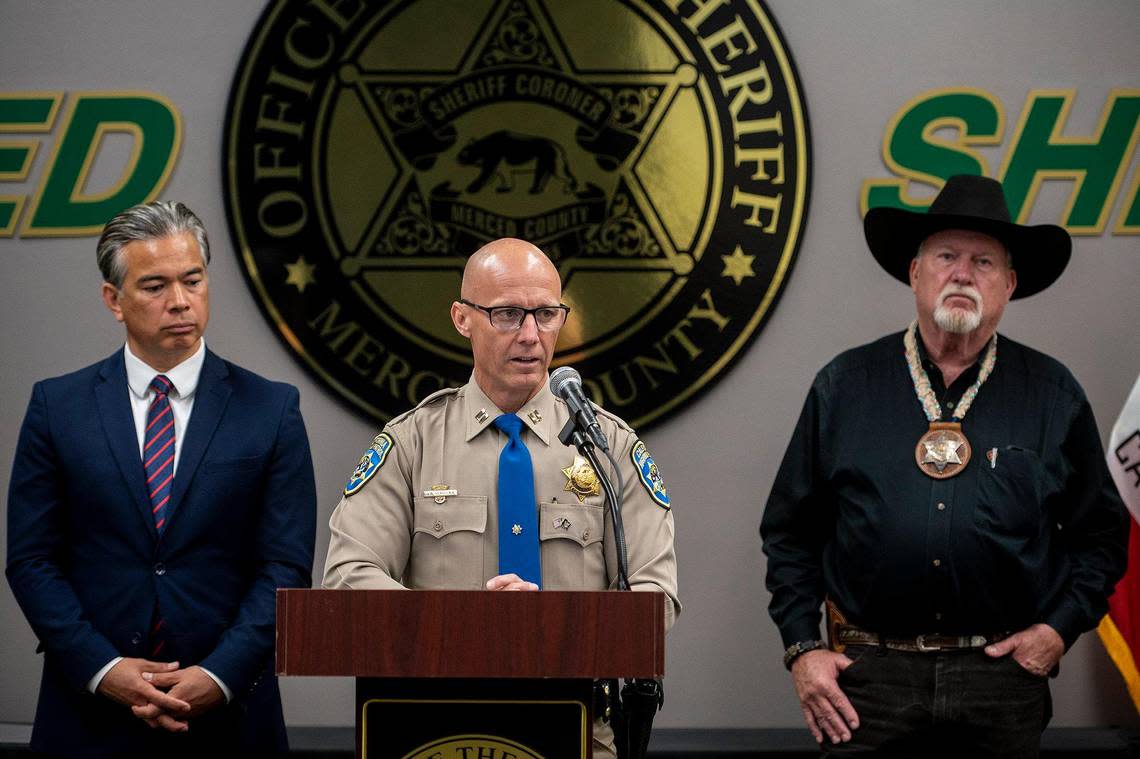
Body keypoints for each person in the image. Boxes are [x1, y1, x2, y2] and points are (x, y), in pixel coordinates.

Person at [760, 174, 1128, 757]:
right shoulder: (846, 385)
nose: (963, 273)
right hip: (867, 681)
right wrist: (803, 650)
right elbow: (789, 533)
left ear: (1008, 285)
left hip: (1002, 681)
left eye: (984, 262)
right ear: (915, 273)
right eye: (946, 256)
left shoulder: (1052, 393)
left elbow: (1102, 536)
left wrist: (1058, 629)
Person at [323, 237, 680, 757]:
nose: (532, 335)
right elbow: (349, 576)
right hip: (438, 726)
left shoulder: (609, 449)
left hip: (581, 729)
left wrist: (550, 628)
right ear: (462, 318)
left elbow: (654, 597)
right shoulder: (413, 442)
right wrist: (469, 629)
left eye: (546, 314)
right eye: (508, 314)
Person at [7, 201, 317, 757]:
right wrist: (104, 669)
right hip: (88, 715)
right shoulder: (57, 406)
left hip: (229, 715)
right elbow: (31, 559)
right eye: (154, 286)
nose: (179, 301)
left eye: (192, 280)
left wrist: (218, 675)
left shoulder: (271, 409)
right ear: (113, 299)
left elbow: (285, 566)